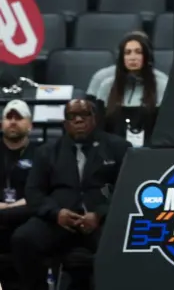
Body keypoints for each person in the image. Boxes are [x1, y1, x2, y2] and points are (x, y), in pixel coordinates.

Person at [12, 99, 130, 290]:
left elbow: (126, 189)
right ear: (65, 123)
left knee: (125, 241)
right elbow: (34, 191)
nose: (78, 120)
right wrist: (56, 213)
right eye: (72, 117)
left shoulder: (118, 147)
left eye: (84, 115)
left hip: (102, 221)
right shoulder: (47, 152)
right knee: (23, 239)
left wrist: (100, 213)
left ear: (95, 118)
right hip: (59, 220)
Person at [93, 32, 168, 147]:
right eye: (127, 53)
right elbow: (100, 129)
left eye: (138, 52)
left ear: (147, 56)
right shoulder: (107, 86)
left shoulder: (161, 85)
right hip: (114, 151)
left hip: (151, 150)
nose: (132, 57)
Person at [0, 99, 36, 278]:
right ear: (2, 124)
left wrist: (10, 207)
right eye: (9, 117)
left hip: (26, 211)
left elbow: (41, 190)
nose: (13, 122)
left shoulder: (41, 153)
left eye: (19, 118)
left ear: (30, 125)